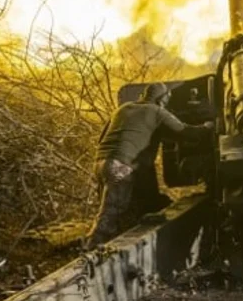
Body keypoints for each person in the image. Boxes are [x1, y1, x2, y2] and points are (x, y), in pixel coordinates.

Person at [84, 83, 211, 249]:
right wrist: (207, 127)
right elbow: (186, 132)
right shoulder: (157, 112)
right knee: (111, 214)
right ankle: (89, 252)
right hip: (121, 166)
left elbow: (104, 137)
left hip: (101, 163)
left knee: (128, 209)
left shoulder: (123, 108)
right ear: (162, 99)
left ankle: (105, 244)